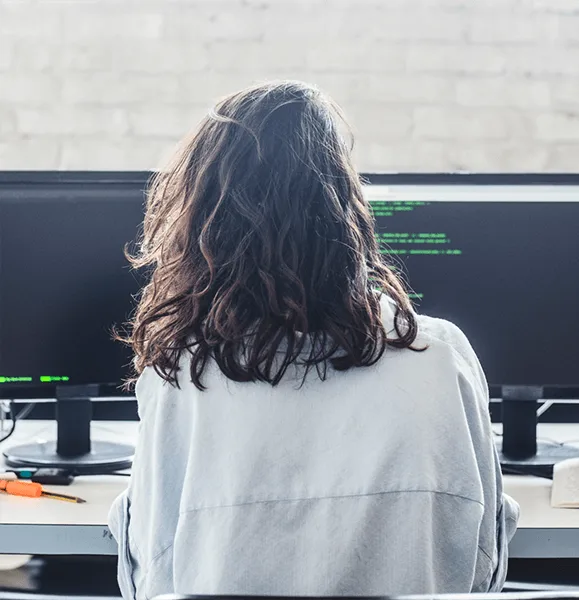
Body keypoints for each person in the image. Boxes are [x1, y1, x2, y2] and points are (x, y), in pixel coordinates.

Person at [109, 80, 519, 599]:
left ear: (203, 222)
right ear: (346, 209)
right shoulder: (439, 357)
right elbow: (483, 568)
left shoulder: (182, 375)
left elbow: (150, 580)